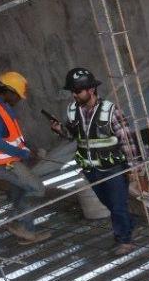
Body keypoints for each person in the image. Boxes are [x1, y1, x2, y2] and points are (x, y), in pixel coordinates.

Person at [51, 67, 135, 255]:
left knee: (118, 205)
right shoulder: (73, 111)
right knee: (111, 205)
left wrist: (133, 166)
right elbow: (74, 136)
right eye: (72, 91)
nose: (74, 95)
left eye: (78, 91)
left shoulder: (110, 111)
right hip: (91, 169)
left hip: (113, 168)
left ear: (91, 90)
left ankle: (124, 240)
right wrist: (60, 131)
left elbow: (126, 140)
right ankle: (128, 225)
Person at [0, 71, 50, 243]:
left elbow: (12, 136)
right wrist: (23, 153)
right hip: (5, 163)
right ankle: (18, 223)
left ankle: (26, 232)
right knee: (37, 189)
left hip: (10, 160)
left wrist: (27, 148)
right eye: (18, 96)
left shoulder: (2, 106)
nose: (19, 100)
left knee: (20, 192)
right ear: (8, 91)